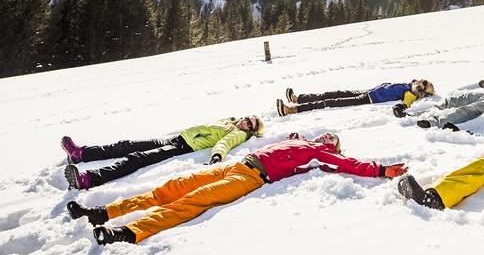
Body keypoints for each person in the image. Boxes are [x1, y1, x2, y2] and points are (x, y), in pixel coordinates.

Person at [66, 132, 408, 245]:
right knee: (171, 187)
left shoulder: (319, 154)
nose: (324, 139)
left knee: (192, 201)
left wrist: (380, 169)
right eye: (325, 135)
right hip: (233, 165)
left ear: (331, 147)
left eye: (330, 140)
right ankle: (102, 211)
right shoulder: (299, 140)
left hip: (249, 178)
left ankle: (125, 232)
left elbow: (349, 165)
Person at [61, 116, 265, 190]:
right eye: (248, 118)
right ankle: (81, 154)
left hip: (182, 147)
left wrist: (217, 156)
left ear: (250, 130)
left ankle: (88, 180)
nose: (246, 122)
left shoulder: (237, 134)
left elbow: (224, 144)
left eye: (250, 124)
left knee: (136, 159)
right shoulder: (229, 120)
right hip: (176, 138)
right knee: (127, 145)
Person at [278, 79, 435, 116]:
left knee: (330, 102)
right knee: (334, 94)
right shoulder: (408, 84)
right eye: (423, 81)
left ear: (422, 92)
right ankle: (298, 99)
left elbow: (405, 104)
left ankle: (291, 110)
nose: (421, 83)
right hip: (368, 91)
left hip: (368, 99)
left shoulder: (410, 94)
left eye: (423, 86)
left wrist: (400, 109)